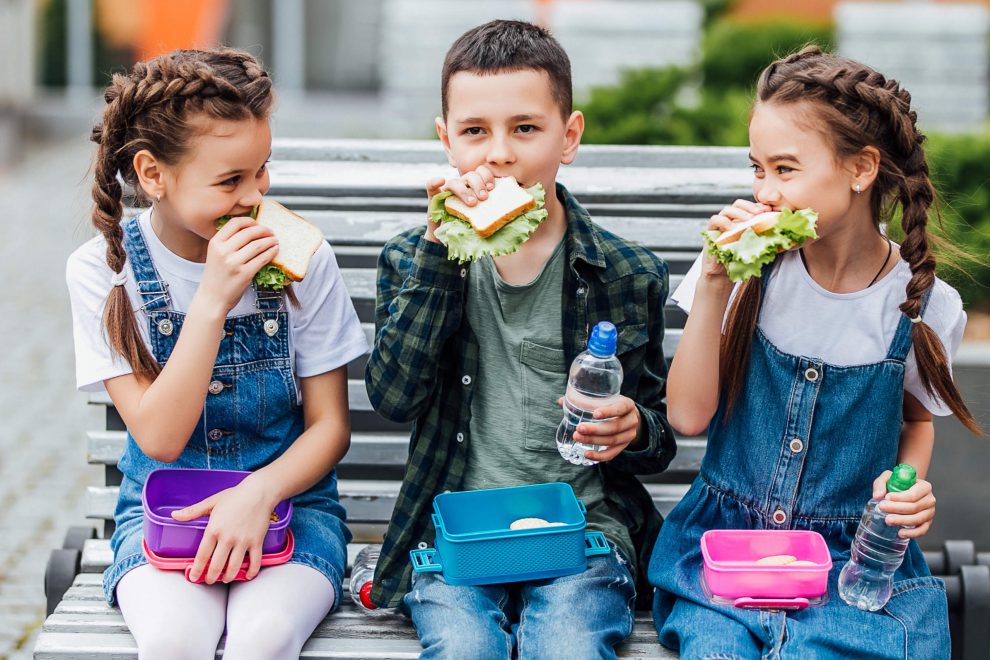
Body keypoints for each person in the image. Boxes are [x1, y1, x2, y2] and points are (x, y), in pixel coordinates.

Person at [649, 45, 982, 659]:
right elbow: (688, 416)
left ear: (860, 170)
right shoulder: (744, 271)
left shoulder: (922, 303)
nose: (765, 191)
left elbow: (916, 423)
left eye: (785, 169)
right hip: (730, 552)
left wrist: (905, 488)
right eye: (758, 169)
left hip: (850, 562)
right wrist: (716, 284)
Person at [364, 19, 676, 658]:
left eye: (525, 128)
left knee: (570, 647)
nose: (499, 153)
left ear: (570, 136)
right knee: (464, 649)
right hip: (456, 532)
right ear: (447, 141)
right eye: (476, 131)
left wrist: (633, 428)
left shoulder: (627, 272)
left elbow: (659, 438)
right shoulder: (414, 258)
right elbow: (394, 398)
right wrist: (436, 249)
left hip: (583, 533)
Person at [65, 48, 367, 659]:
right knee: (175, 642)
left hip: (289, 506)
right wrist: (211, 302)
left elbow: (330, 428)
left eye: (261, 170)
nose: (255, 196)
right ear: (154, 175)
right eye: (230, 180)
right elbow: (160, 439)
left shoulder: (305, 260)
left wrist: (259, 493)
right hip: (164, 512)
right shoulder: (103, 272)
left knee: (263, 640)